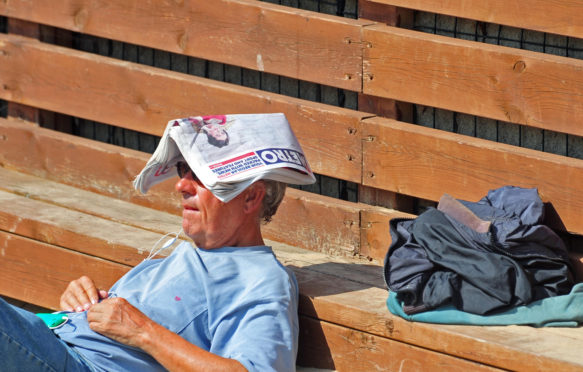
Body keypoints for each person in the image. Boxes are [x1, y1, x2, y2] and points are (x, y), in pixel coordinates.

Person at [0, 113, 316, 372]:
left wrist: (142, 331)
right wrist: (81, 305)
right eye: (182, 171)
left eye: (200, 177)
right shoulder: (190, 257)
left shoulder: (260, 279)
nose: (180, 185)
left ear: (250, 197)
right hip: (51, 343)